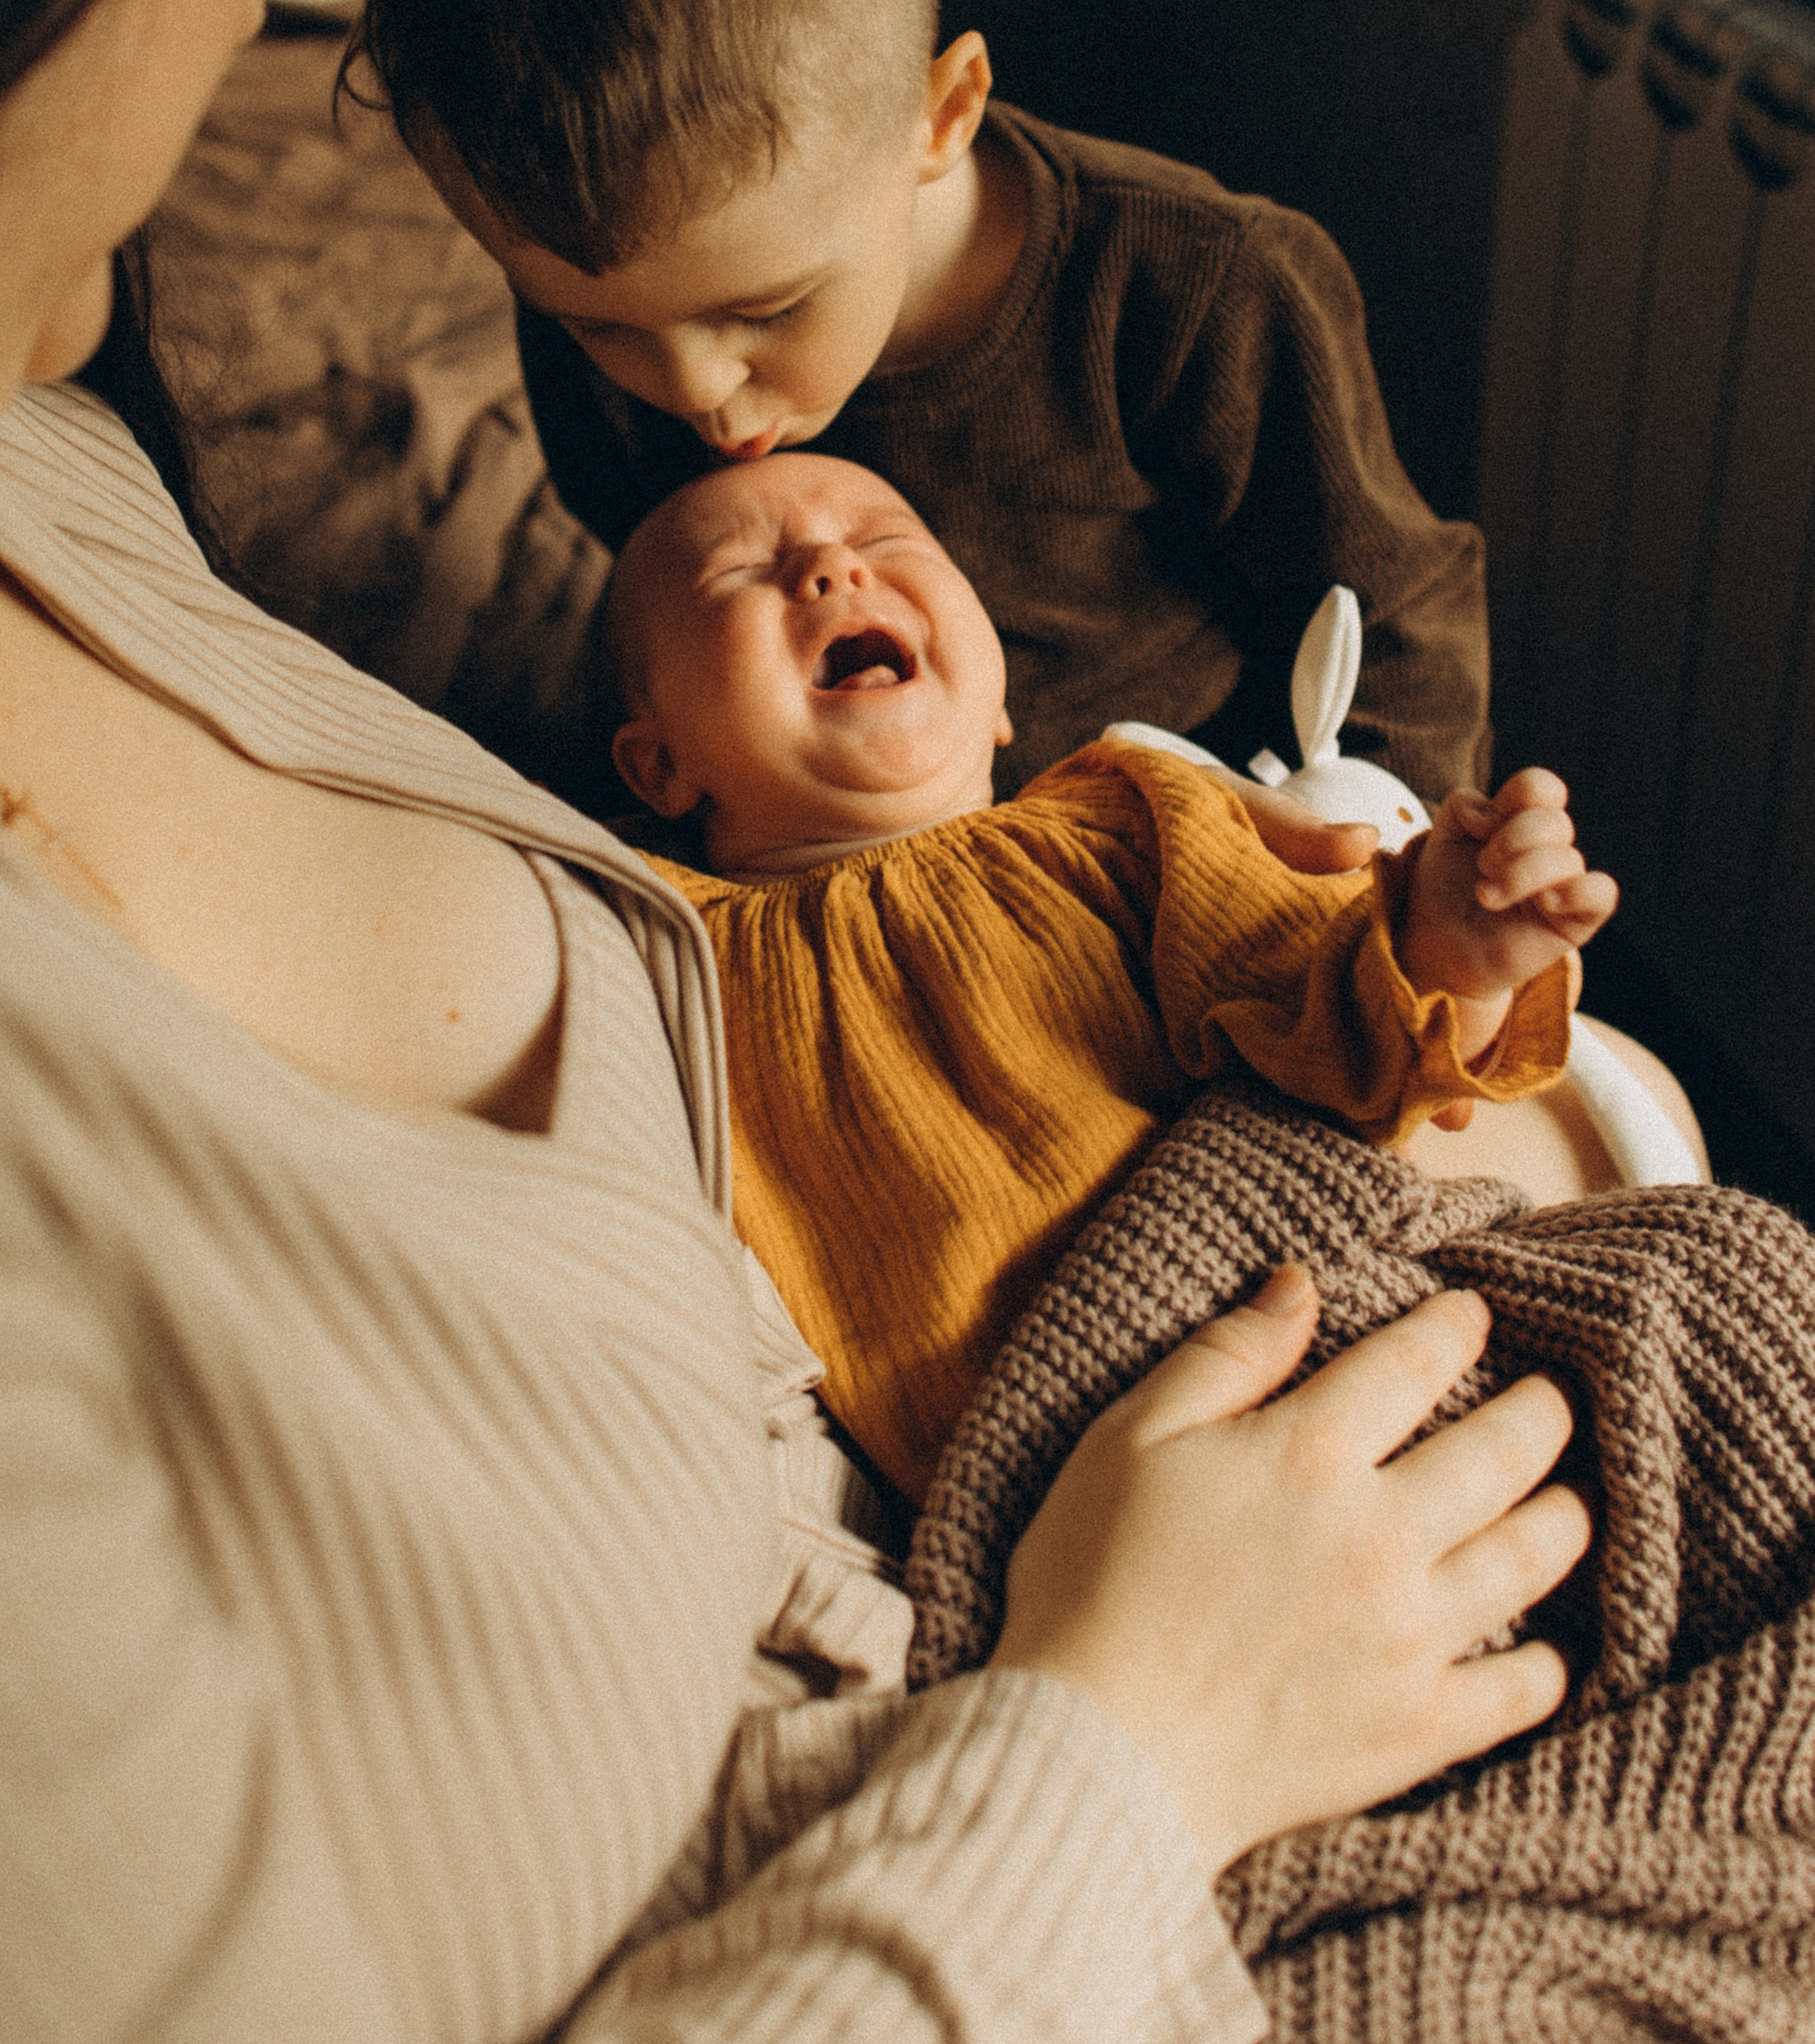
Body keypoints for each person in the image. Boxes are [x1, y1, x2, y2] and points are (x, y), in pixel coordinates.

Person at [0, 0, 1596, 2042]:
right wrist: (1116, 1737)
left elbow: (1371, 662)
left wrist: (1375, 886)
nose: (702, 433)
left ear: (937, 130)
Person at [355, 0, 1490, 811]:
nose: (694, 392)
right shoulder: (606, 292)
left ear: (941, 115)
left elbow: (1396, 627)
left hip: (1191, 863)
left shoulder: (1197, 293)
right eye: (597, 329)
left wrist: (1382, 883)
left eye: (767, 309)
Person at [603, 452, 1692, 1504]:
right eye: (737, 574)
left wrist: (1450, 957)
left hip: (1306, 1308)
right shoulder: (652, 930)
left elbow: (1333, 1045)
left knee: (1721, 1291)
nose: (832, 570)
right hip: (1075, 1479)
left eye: (885, 539)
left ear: (999, 706)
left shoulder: (1133, 817)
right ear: (658, 766)